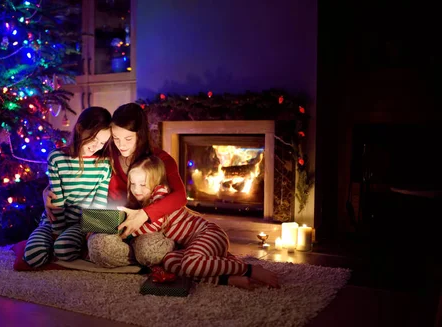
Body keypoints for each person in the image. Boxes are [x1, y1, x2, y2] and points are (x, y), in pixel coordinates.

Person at [43, 102, 187, 267]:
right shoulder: (107, 152)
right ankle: (135, 258)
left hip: (148, 226)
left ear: (140, 135)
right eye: (116, 138)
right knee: (99, 248)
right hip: (112, 224)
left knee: (149, 253)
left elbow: (180, 196)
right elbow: (69, 165)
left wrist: (144, 214)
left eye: (128, 138)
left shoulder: (161, 159)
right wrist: (47, 192)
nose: (122, 145)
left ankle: (148, 253)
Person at [127, 155, 280, 290]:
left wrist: (126, 231)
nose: (136, 189)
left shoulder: (160, 193)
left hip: (210, 234)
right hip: (195, 245)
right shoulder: (146, 201)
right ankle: (227, 278)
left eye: (142, 184)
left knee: (190, 264)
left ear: (156, 182)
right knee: (169, 262)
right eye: (133, 184)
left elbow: (153, 226)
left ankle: (249, 269)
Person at [23, 106, 112, 268]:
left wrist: (91, 232)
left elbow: (99, 202)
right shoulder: (57, 158)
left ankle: (63, 246)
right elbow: (57, 199)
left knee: (63, 250)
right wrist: (56, 232)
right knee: (33, 256)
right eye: (93, 139)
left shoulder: (103, 164)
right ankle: (50, 243)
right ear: (79, 129)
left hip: (80, 224)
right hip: (53, 222)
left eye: (102, 142)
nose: (97, 146)